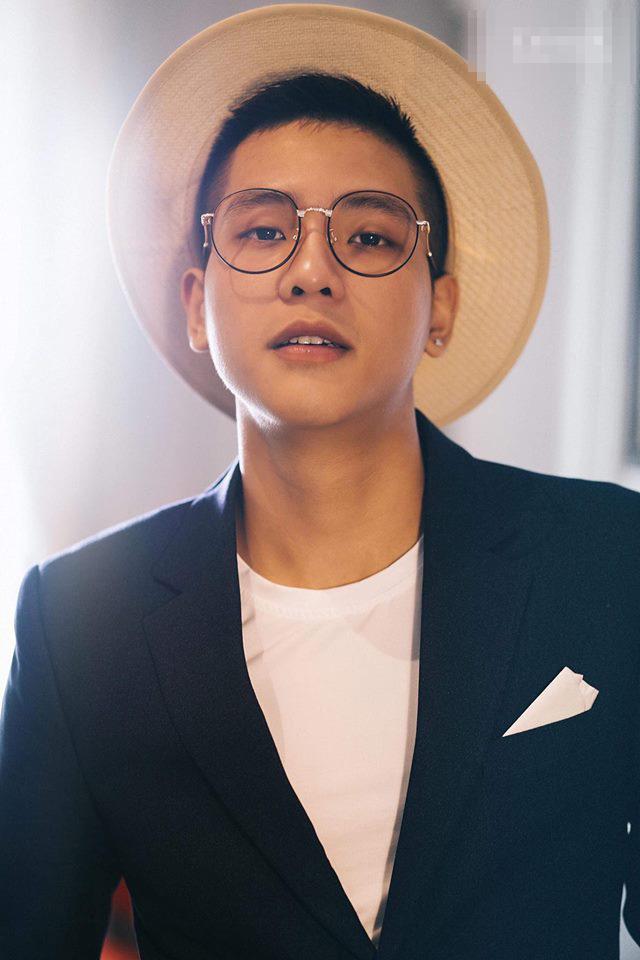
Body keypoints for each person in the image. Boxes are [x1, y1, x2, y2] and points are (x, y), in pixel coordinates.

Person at [1, 5, 638, 959]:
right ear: (196, 305)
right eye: (263, 231)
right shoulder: (80, 619)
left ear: (440, 307)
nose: (312, 272)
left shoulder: (608, 557)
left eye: (371, 238)